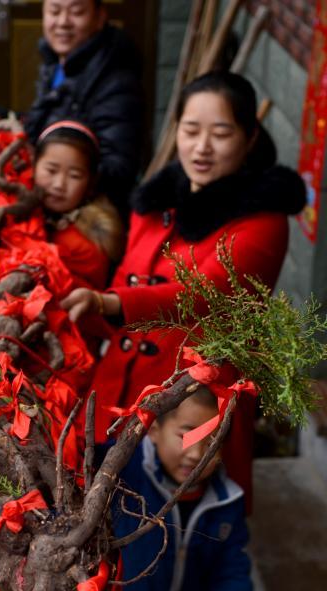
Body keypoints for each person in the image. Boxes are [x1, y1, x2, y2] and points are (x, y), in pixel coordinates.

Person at [60, 70, 307, 500]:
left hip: (191, 413)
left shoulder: (264, 221)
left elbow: (201, 296)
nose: (201, 147)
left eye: (221, 133)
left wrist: (107, 301)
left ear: (249, 138)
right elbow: (121, 297)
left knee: (182, 540)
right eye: (191, 130)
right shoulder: (155, 206)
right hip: (117, 395)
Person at [112, 387, 256, 591]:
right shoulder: (120, 481)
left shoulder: (226, 504)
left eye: (213, 440)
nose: (197, 454)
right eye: (186, 435)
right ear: (153, 430)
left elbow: (228, 577)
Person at [25, 0, 144, 214]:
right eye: (54, 11)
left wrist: (64, 174)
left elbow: (119, 168)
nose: (63, 22)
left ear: (99, 18)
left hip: (88, 215)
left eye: (76, 12)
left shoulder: (115, 77)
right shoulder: (57, 62)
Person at [34, 119, 125, 291]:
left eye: (74, 176)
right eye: (51, 170)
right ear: (33, 165)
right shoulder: (19, 212)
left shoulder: (87, 243)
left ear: (91, 182)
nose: (59, 184)